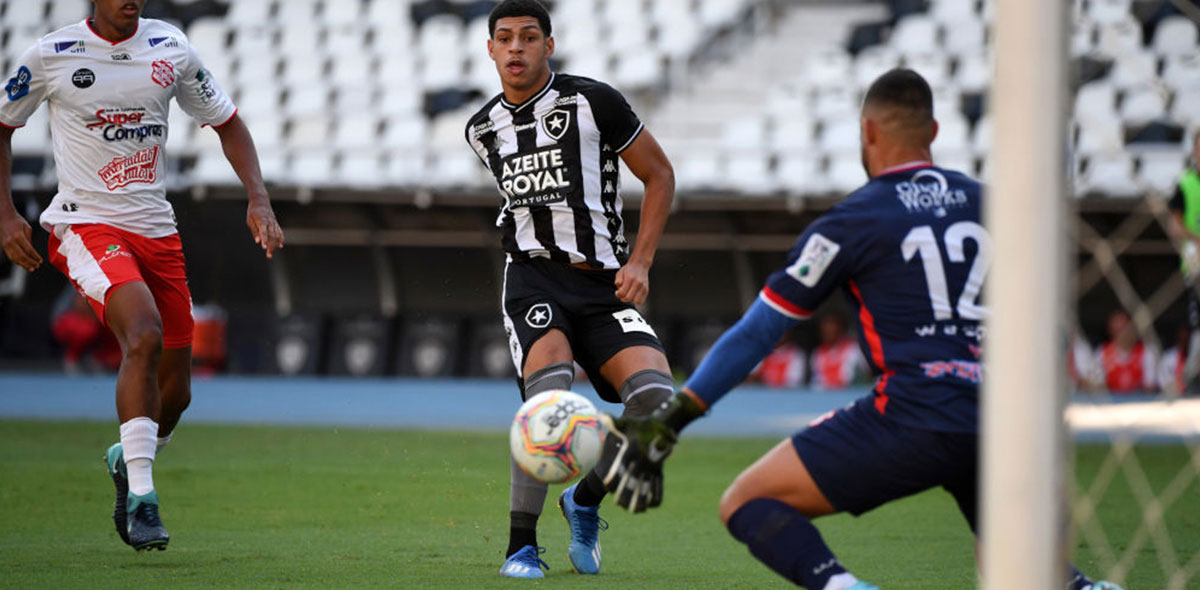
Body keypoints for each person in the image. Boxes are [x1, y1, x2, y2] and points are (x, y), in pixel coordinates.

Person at [598, 69, 1124, 590]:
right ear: (934, 133)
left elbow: (760, 332)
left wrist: (675, 418)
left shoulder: (852, 221)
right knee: (1019, 572)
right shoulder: (1003, 208)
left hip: (916, 414)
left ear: (868, 131)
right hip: (1007, 418)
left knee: (747, 501)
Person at [0, 0, 283, 551]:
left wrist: (259, 199)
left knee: (175, 393)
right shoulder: (53, 54)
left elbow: (227, 122)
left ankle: (126, 457)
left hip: (157, 230)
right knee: (144, 334)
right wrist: (6, 213)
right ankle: (143, 500)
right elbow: (2, 126)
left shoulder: (170, 47)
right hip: (85, 225)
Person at [464, 0, 677, 578]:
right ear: (489, 50)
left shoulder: (594, 101)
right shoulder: (482, 129)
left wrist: (641, 261)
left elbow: (659, 175)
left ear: (548, 45)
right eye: (503, 38)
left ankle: (583, 501)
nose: (515, 48)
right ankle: (520, 547)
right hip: (534, 277)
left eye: (528, 37)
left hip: (605, 284)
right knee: (547, 399)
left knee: (659, 406)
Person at [1094, 309, 1158, 394]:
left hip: (1140, 402)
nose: (1122, 335)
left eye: (1123, 329)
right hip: (1110, 402)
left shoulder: (1147, 352)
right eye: (1117, 330)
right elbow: (1096, 385)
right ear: (1110, 330)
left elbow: (1150, 386)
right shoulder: (1102, 353)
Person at [810, 312, 864, 390]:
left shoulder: (853, 349)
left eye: (832, 327)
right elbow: (816, 382)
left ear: (840, 328)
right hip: (824, 398)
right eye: (825, 330)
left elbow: (863, 378)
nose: (829, 331)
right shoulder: (817, 353)